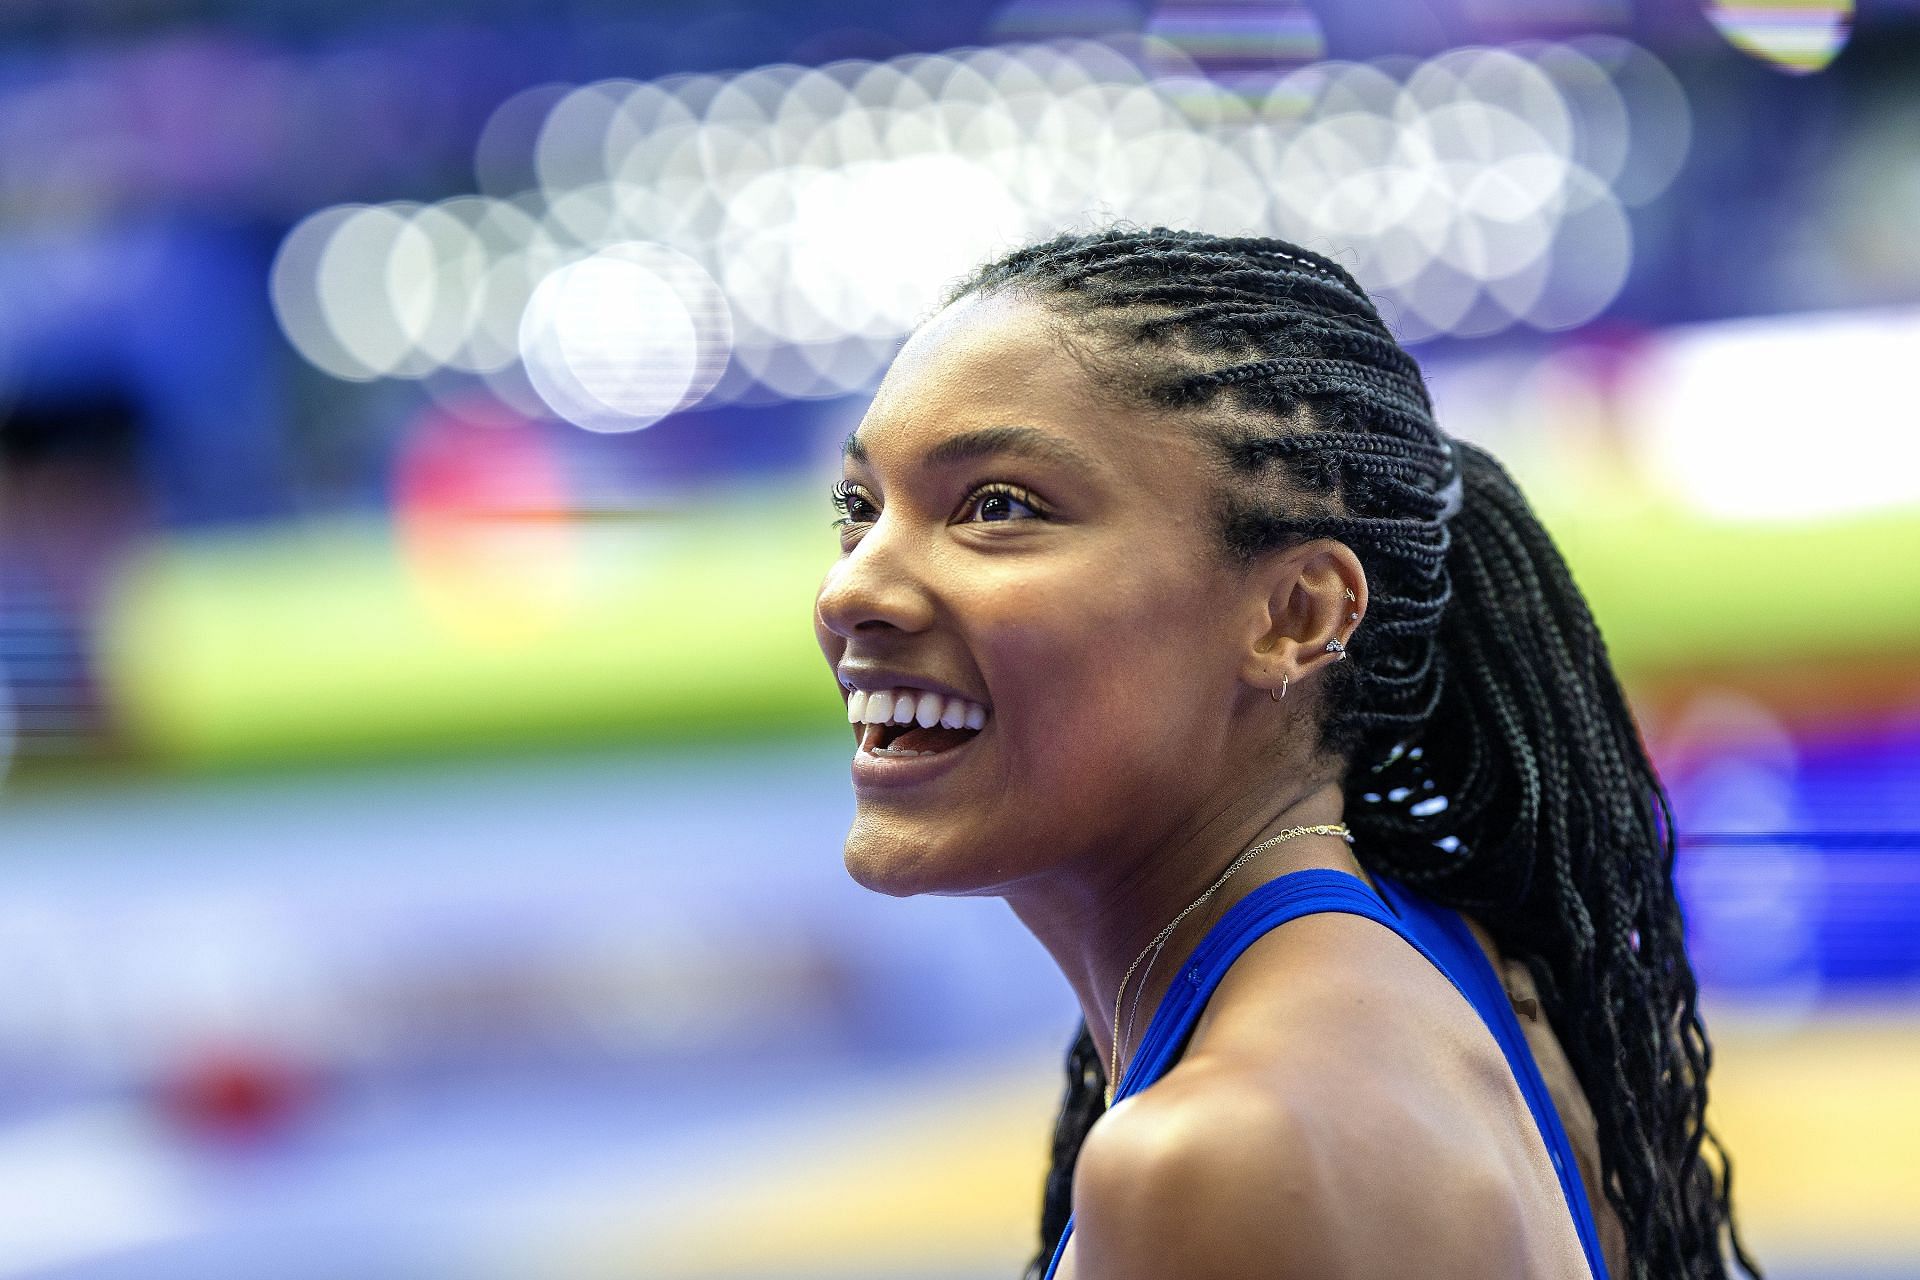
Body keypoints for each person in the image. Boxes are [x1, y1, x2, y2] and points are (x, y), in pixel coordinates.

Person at [811, 228, 1759, 1280]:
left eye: (999, 507)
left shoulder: (1215, 1156)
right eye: (859, 507)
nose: (849, 590)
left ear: (1297, 614)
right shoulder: (1472, 976)